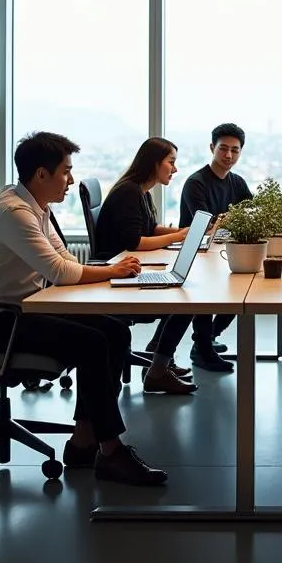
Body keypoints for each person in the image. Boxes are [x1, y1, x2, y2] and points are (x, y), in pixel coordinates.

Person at [0, 131, 167, 486]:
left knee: (115, 331)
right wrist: (112, 272)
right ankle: (111, 450)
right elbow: (60, 271)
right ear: (41, 175)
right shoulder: (14, 213)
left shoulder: (36, 208)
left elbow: (65, 260)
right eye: (66, 172)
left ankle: (83, 441)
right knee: (92, 342)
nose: (71, 180)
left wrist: (107, 274)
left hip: (25, 309)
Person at [93, 137, 198, 396]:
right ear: (154, 163)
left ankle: (158, 355)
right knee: (187, 302)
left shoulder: (141, 190)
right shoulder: (129, 192)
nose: (175, 169)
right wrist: (176, 237)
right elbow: (135, 241)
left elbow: (149, 229)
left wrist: (183, 232)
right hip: (117, 273)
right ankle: (157, 369)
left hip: (128, 265)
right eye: (171, 162)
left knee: (183, 293)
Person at [177, 122, 253, 372]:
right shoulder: (195, 183)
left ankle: (206, 337)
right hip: (195, 253)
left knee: (243, 286)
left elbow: (252, 212)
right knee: (209, 291)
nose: (229, 155)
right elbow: (207, 226)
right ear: (212, 147)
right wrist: (231, 217)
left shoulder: (237, 182)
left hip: (221, 251)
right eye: (223, 149)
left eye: (235, 150)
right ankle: (202, 347)